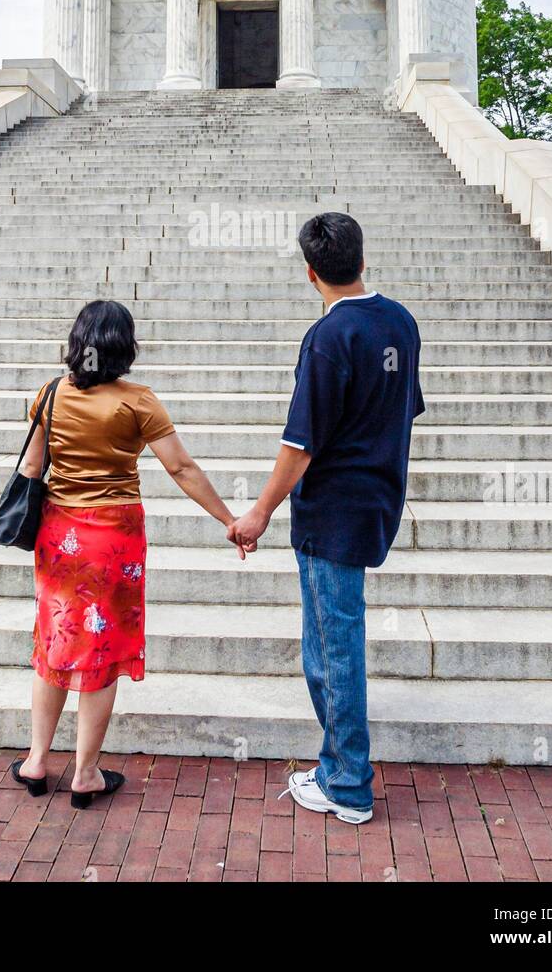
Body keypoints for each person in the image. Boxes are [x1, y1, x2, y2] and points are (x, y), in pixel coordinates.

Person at [228, 213, 425, 824]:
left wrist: (259, 512)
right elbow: (405, 411)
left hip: (331, 512)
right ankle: (338, 764)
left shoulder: (327, 337)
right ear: (363, 259)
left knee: (331, 647)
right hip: (376, 501)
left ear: (310, 272)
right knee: (332, 639)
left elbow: (300, 444)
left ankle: (347, 783)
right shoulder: (401, 321)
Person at [11, 299, 241, 808]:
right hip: (114, 540)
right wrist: (229, 520)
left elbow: (31, 466)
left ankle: (34, 761)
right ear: (125, 346)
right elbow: (181, 469)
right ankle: (86, 773)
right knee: (102, 649)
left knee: (56, 640)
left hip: (60, 537)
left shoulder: (50, 394)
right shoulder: (139, 401)